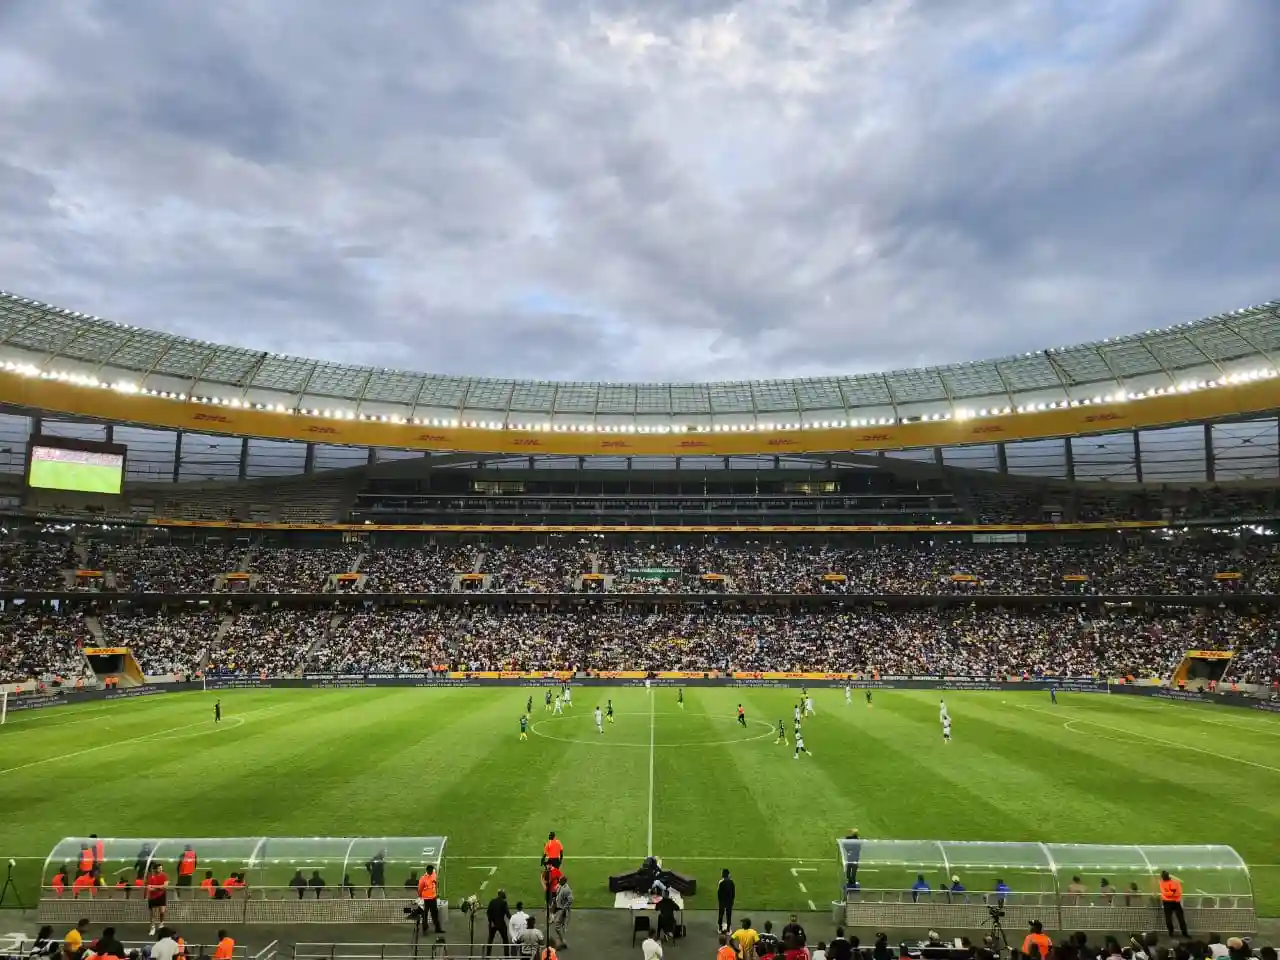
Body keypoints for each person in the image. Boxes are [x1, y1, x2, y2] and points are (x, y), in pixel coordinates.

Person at [1159, 870, 1188, 938]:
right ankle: (1172, 932)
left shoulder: (1174, 883)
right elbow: (1166, 893)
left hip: (1174, 902)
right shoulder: (1163, 883)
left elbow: (1176, 892)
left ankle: (1183, 933)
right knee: (1169, 920)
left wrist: (1170, 893)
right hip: (1170, 902)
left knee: (1180, 919)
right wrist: (1173, 893)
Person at [485, 888, 511, 957]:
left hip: (492, 924)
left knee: (490, 940)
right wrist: (512, 919)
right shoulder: (504, 902)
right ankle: (506, 956)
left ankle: (488, 955)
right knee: (505, 940)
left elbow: (488, 913)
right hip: (501, 924)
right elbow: (508, 914)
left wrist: (491, 922)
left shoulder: (492, 901)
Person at [417, 864, 443, 934]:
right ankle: (425, 929)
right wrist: (420, 897)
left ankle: (437, 928)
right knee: (424, 915)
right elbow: (420, 889)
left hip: (433, 898)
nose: (431, 872)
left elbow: (435, 882)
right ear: (427, 870)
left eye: (432, 870)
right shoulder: (423, 879)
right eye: (430, 871)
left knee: (435, 914)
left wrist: (436, 892)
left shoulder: (433, 874)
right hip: (425, 900)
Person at [146, 862, 169, 935]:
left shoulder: (165, 875)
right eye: (159, 868)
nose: (161, 870)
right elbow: (150, 888)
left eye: (161, 868)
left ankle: (161, 924)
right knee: (153, 914)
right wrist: (159, 887)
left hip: (162, 895)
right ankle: (152, 928)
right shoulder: (151, 877)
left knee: (162, 912)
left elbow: (165, 886)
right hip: (153, 897)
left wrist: (155, 887)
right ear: (156, 869)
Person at [552, 874, 573, 949]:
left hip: (563, 910)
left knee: (558, 926)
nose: (559, 881)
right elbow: (557, 892)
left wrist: (564, 909)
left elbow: (570, 900)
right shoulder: (561, 886)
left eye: (560, 880)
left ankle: (563, 942)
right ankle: (562, 941)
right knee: (561, 926)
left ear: (564, 881)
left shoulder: (567, 890)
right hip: (559, 908)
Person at [716, 868, 735, 933]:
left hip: (722, 902)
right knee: (728, 915)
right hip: (729, 902)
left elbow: (719, 893)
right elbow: (733, 893)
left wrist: (720, 901)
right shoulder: (731, 882)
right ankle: (728, 929)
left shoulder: (721, 882)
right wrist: (732, 901)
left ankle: (720, 928)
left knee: (721, 914)